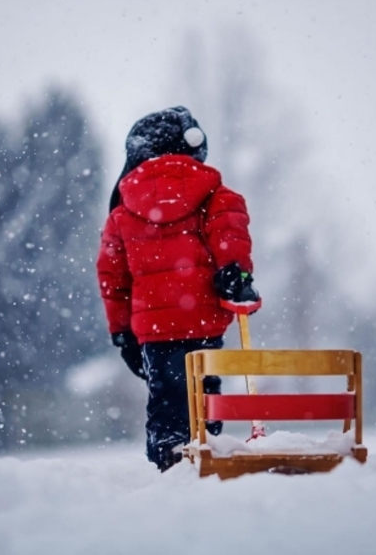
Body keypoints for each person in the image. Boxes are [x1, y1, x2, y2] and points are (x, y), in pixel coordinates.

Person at [96, 106, 259, 472]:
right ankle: (208, 452)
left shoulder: (121, 213)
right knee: (204, 394)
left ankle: (170, 458)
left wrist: (122, 332)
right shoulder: (217, 196)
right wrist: (237, 274)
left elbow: (113, 277)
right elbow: (230, 235)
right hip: (203, 320)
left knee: (166, 397)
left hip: (154, 330)